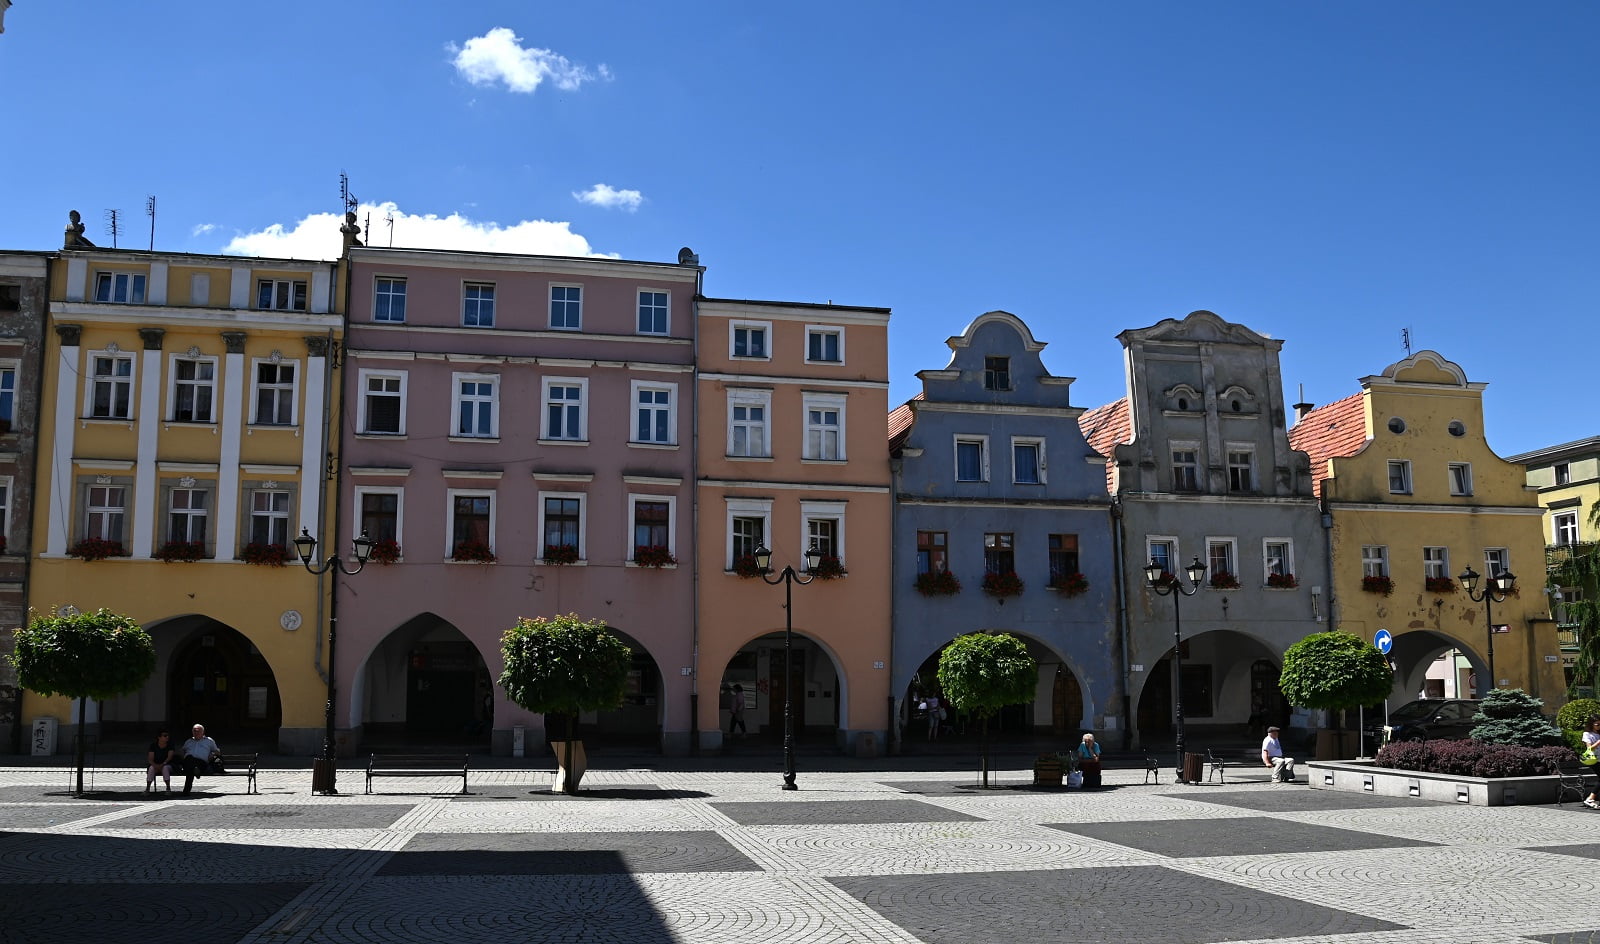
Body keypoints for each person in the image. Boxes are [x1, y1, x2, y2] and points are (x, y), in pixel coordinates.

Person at [178, 723, 221, 795]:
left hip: (202, 763)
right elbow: (183, 750)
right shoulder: (189, 741)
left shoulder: (209, 740)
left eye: (198, 731)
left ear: (203, 732)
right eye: (194, 731)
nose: (196, 732)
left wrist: (213, 754)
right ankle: (195, 770)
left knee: (189, 766)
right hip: (189, 762)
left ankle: (186, 791)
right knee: (189, 761)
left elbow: (217, 751)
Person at [1582, 717, 1600, 809]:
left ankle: (1590, 798)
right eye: (1597, 724)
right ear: (1591, 724)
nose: (1599, 726)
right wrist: (1598, 742)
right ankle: (1590, 798)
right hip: (1594, 759)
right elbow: (1589, 748)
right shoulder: (1587, 734)